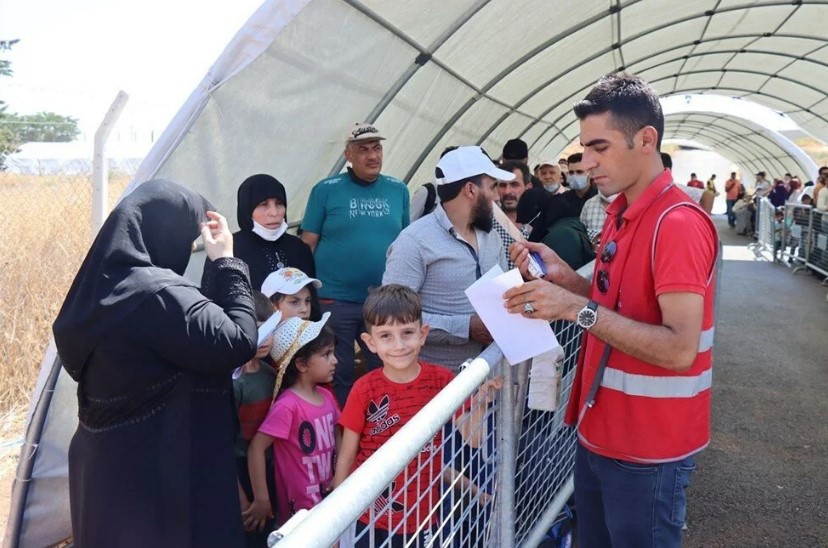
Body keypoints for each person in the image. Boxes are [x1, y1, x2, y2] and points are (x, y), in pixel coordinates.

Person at [504, 74, 717, 547]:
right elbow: (614, 308)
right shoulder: (623, 212)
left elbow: (679, 348)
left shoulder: (676, 223)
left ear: (646, 140)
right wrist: (567, 279)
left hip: (648, 448)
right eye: (583, 148)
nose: (586, 162)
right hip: (601, 431)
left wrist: (573, 307)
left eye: (599, 146)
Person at [52, 179, 259, 547]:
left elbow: (192, 339)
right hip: (159, 479)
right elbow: (238, 341)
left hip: (109, 471)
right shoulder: (156, 294)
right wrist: (226, 260)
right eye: (188, 238)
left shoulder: (103, 286)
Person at [333, 285, 500, 546]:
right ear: (370, 342)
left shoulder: (442, 380)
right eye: (386, 336)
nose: (399, 345)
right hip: (371, 517)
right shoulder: (364, 389)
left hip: (424, 515)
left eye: (407, 333)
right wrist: (335, 521)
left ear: (423, 334)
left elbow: (474, 439)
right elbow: (347, 457)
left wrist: (480, 403)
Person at [301, 123, 410, 406]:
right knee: (339, 369)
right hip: (335, 298)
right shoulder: (326, 190)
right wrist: (307, 295)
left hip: (383, 300)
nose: (372, 155)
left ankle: (388, 428)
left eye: (377, 148)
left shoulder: (398, 190)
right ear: (348, 154)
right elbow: (307, 243)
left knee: (388, 364)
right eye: (363, 149)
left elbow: (407, 243)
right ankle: (340, 435)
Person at [383, 145, 510, 371]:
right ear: (471, 190)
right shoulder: (414, 242)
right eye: (493, 187)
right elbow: (392, 317)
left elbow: (503, 296)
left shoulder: (492, 237)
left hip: (492, 376)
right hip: (438, 386)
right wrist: (465, 328)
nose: (498, 196)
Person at [246, 313, 339, 530]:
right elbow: (256, 449)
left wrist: (340, 475)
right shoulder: (288, 406)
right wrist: (262, 499)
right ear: (301, 364)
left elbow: (338, 432)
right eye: (326, 355)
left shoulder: (326, 397)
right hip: (299, 512)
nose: (335, 360)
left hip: (329, 498)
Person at [204, 174, 316, 307]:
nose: (274, 212)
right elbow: (211, 304)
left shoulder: (298, 247)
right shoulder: (227, 249)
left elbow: (312, 301)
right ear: (247, 209)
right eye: (264, 204)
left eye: (279, 204)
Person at [233, 292, 278, 547]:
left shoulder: (271, 373)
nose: (264, 338)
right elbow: (222, 447)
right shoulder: (233, 383)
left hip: (269, 466)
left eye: (269, 329)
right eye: (256, 330)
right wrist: (242, 500)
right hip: (240, 470)